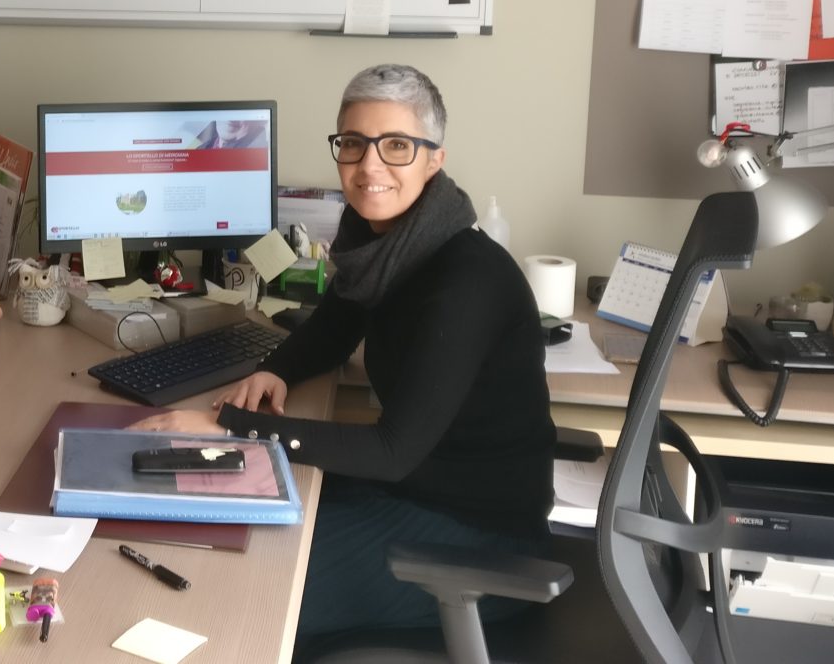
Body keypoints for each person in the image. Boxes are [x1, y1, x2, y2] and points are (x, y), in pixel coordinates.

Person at [132, 63, 554, 652]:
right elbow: (334, 326)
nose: (369, 166)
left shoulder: (465, 280)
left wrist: (230, 428)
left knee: (233, 596)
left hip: (474, 539)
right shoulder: (388, 245)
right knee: (210, 526)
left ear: (434, 159)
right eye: (354, 143)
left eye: (397, 146)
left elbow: (392, 451)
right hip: (411, 493)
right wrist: (276, 370)